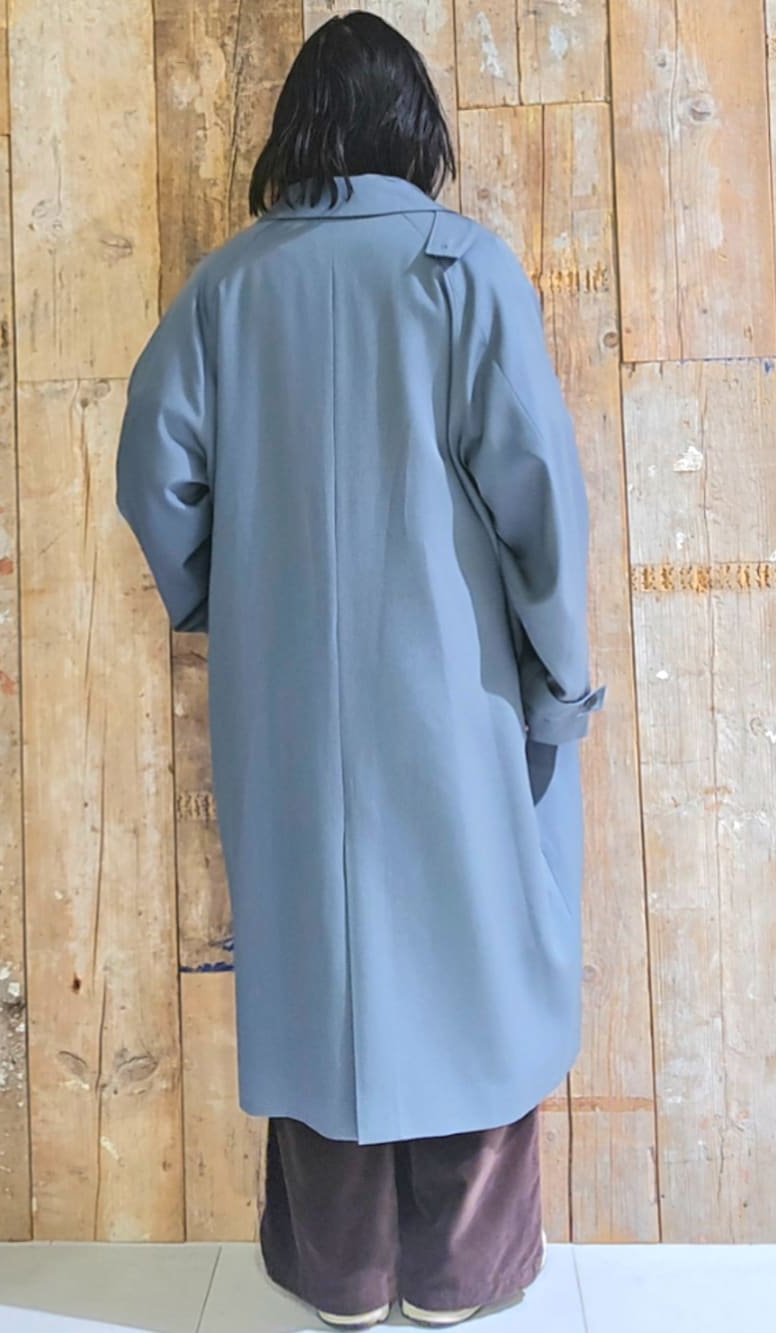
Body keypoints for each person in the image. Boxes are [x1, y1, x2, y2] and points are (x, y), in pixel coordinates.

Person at [116, 10, 605, 1329]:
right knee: (479, 961)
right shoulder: (461, 269)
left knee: (319, 963)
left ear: (300, 131)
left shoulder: (230, 286)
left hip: (284, 705)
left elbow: (152, 467)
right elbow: (538, 499)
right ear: (415, 128)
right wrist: (563, 679)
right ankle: (457, 1274)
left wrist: (221, 593)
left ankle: (339, 1274)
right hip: (457, 697)